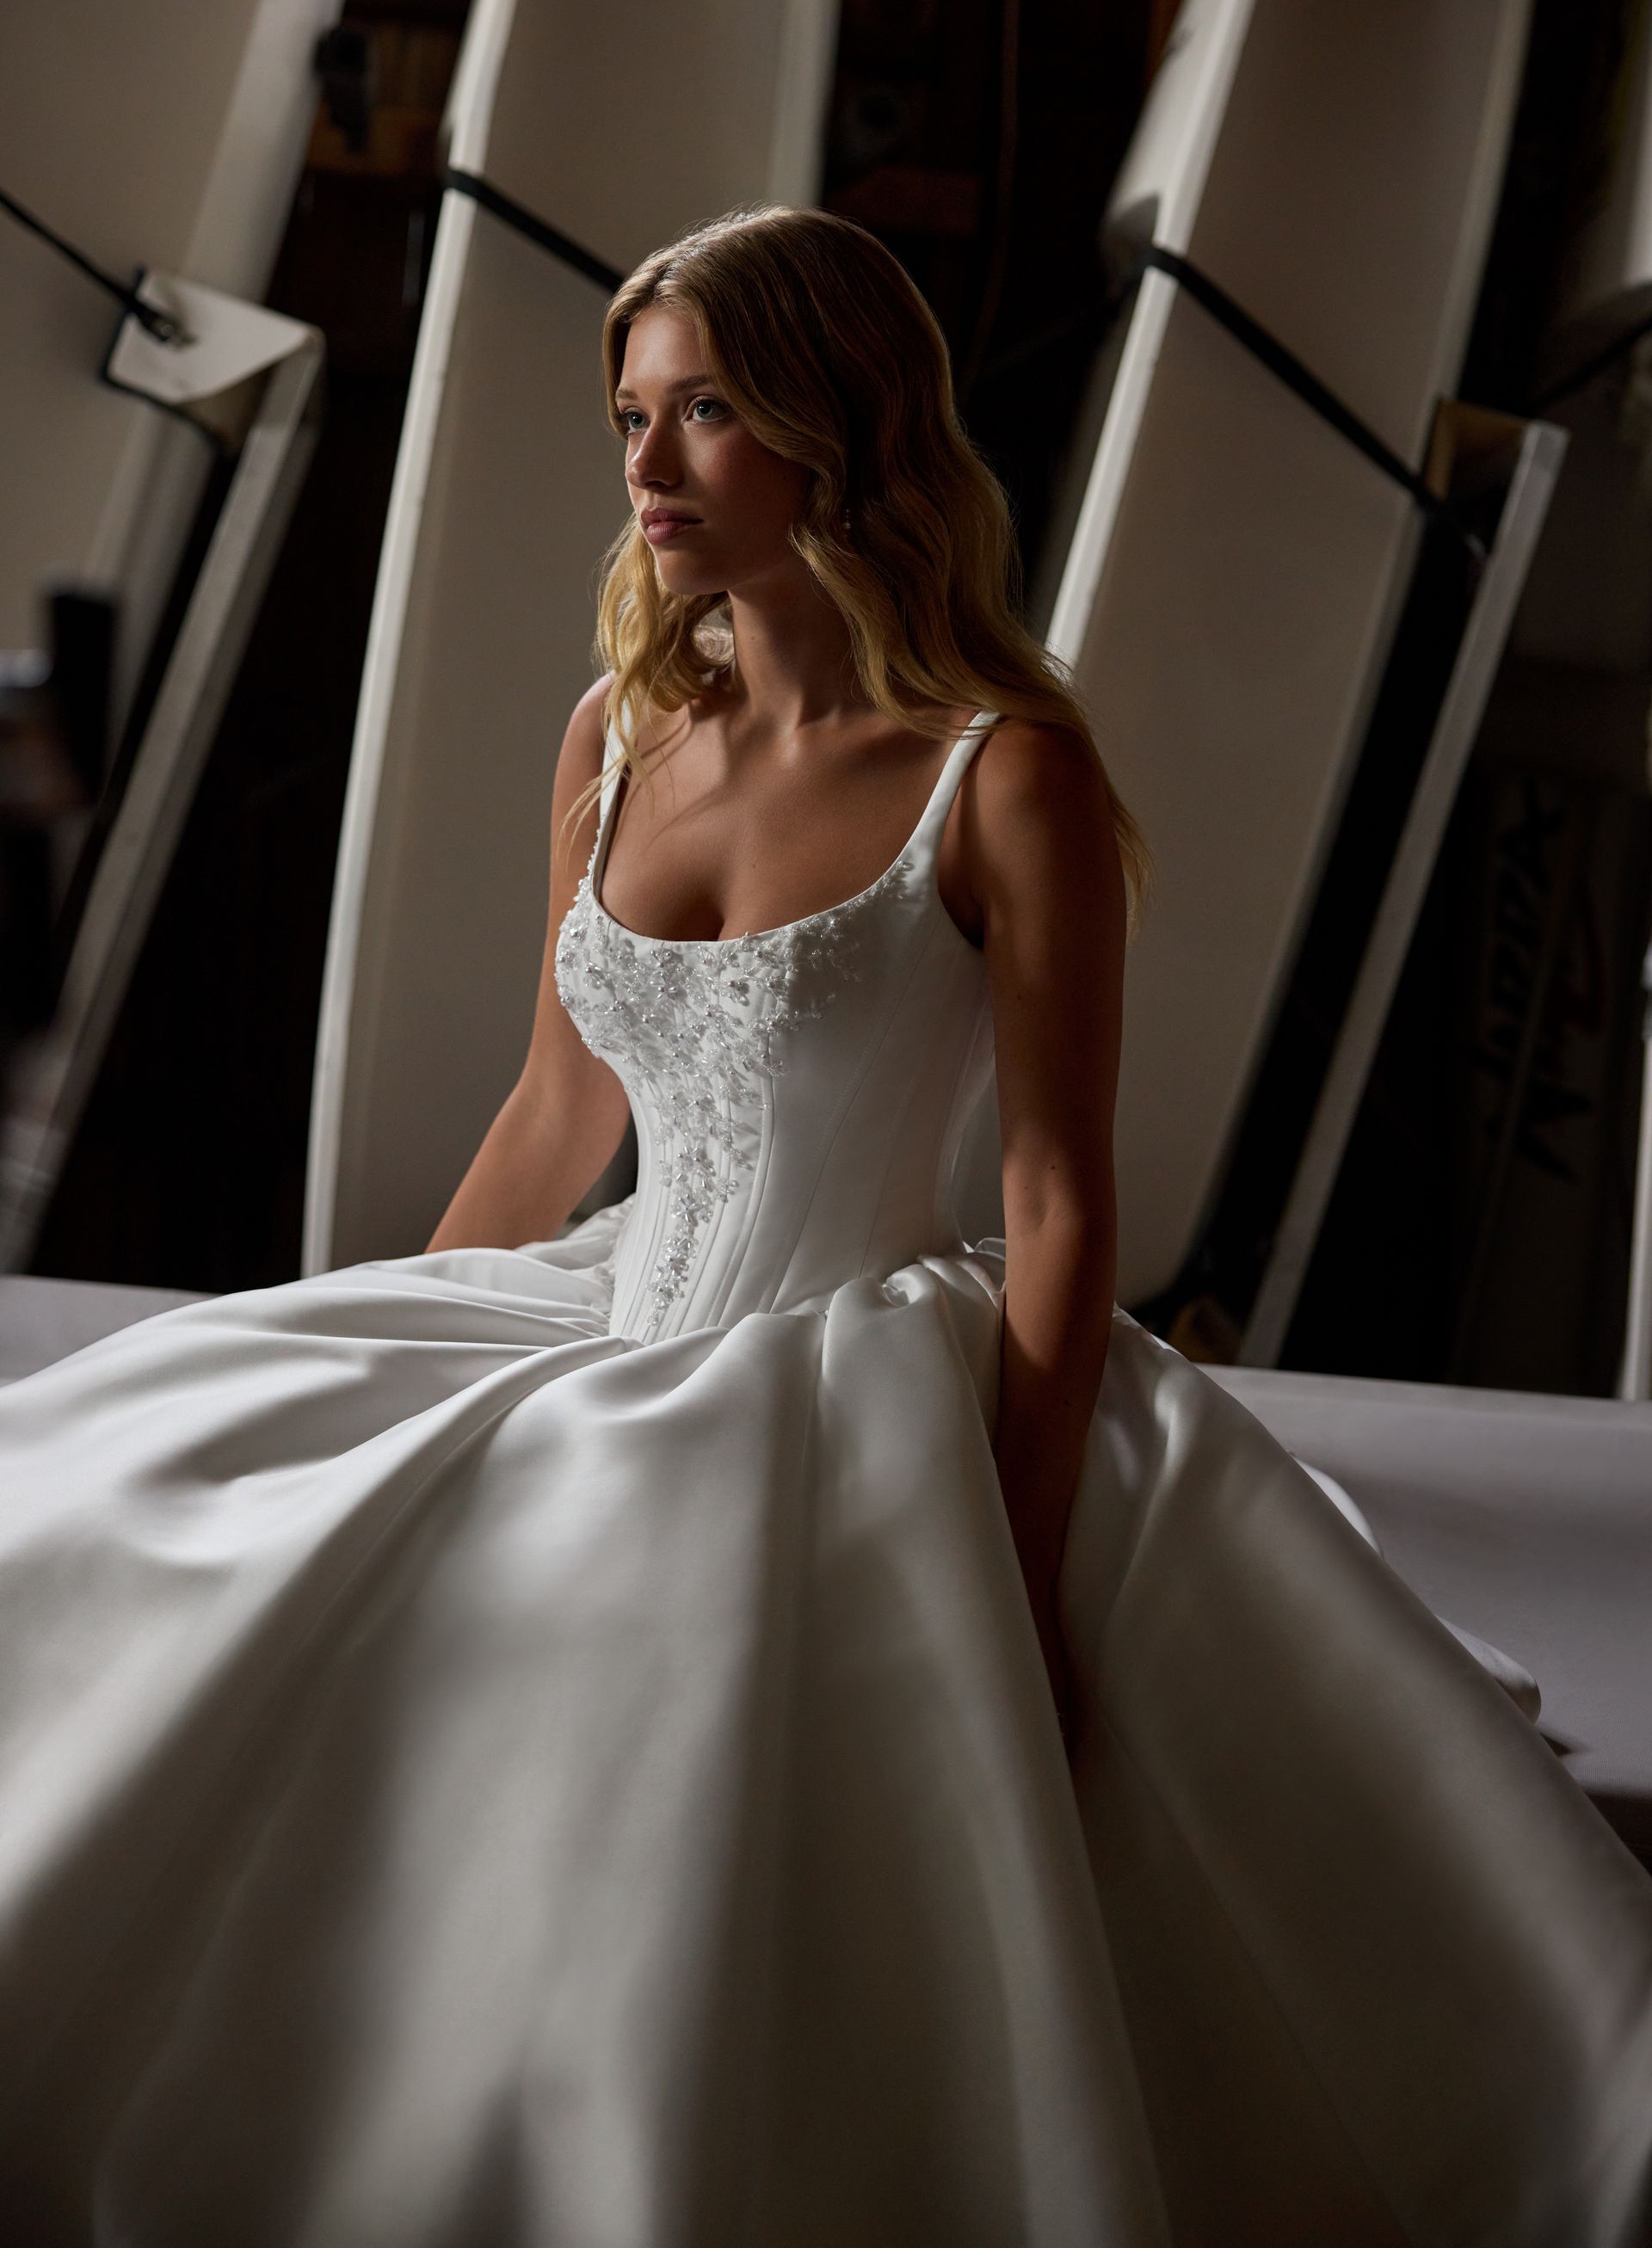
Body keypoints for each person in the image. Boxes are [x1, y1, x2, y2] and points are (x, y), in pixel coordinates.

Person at [0, 206, 1649, 2247]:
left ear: (839, 425)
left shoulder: (1001, 772)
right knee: (126, 1506)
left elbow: (1060, 1205)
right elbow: (553, 1108)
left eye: (705, 411)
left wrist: (1028, 1584)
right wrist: (392, 1343)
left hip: (853, 1354)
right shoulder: (612, 737)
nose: (649, 466)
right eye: (630, 415)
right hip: (600, 1314)